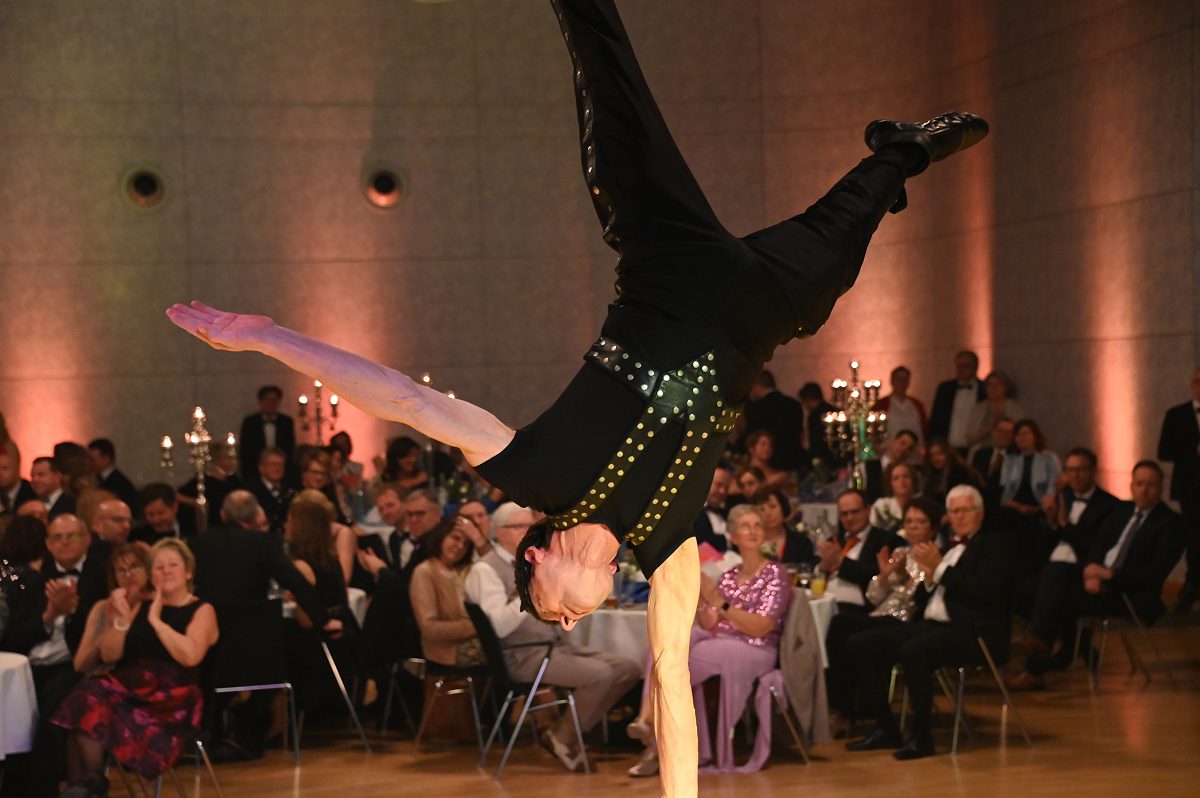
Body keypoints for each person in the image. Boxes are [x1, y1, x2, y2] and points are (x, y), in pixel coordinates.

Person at [167, 1, 988, 790]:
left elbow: (406, 401)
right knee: (847, 234)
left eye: (550, 612)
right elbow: (671, 686)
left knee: (616, 91)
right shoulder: (666, 549)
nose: (564, 621)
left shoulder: (535, 473)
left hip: (668, 263)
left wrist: (269, 337)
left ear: (536, 556)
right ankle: (902, 149)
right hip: (763, 314)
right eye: (559, 623)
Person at [464, 502, 640, 772]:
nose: (528, 531)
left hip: (554, 647)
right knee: (601, 675)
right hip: (520, 654)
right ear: (499, 532)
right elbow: (498, 626)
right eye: (519, 526)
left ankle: (563, 732)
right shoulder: (485, 569)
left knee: (628, 668)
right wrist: (534, 590)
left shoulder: (542, 558)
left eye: (530, 525)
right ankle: (565, 737)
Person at [845, 485, 1016, 759]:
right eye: (954, 511)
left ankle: (922, 737)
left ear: (980, 513)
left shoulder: (995, 545)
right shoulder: (948, 549)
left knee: (914, 651)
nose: (959, 516)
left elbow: (983, 592)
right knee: (860, 643)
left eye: (965, 510)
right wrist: (918, 576)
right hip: (931, 625)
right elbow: (927, 597)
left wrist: (939, 569)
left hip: (972, 631)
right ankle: (886, 727)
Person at [628, 504, 790, 775]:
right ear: (732, 536)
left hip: (755, 647)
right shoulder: (729, 575)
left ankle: (654, 734)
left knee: (675, 661)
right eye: (745, 526)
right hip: (718, 640)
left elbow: (761, 627)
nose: (753, 531)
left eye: (757, 526)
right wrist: (701, 596)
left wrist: (720, 602)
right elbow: (710, 623)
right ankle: (654, 729)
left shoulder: (775, 573)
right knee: (663, 644)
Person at [52, 539, 219, 794]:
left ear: (188, 572)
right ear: (152, 575)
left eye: (173, 565)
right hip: (128, 689)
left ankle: (90, 782)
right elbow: (110, 653)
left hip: (170, 698)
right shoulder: (141, 605)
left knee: (88, 698)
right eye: (159, 567)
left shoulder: (201, 609)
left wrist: (157, 621)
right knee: (85, 698)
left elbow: (191, 656)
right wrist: (120, 619)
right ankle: (88, 781)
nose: (166, 571)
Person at [1007, 461, 1185, 690]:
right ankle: (1049, 645)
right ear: (1131, 486)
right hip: (1097, 580)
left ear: (1161, 487)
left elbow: (1156, 572)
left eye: (1151, 485)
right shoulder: (1122, 511)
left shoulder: (1171, 523)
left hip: (1128, 591)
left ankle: (1037, 666)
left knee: (1057, 598)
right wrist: (1091, 570)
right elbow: (1097, 545)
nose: (1144, 490)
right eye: (1140, 483)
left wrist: (1109, 574)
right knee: (1032, 588)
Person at [825, 497, 943, 729]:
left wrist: (907, 578)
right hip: (881, 615)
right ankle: (847, 706)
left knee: (843, 627)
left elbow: (921, 601)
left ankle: (847, 709)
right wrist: (885, 576)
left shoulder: (936, 556)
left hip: (906, 621)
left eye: (920, 522)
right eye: (909, 521)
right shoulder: (900, 552)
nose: (913, 527)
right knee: (840, 625)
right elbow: (873, 597)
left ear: (933, 527)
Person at [815, 490, 904, 612]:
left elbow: (877, 575)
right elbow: (813, 571)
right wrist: (822, 567)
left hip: (857, 608)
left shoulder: (886, 540)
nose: (850, 518)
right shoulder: (834, 540)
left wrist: (840, 561)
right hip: (823, 601)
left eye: (855, 512)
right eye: (844, 514)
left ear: (868, 510)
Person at [408, 522, 482, 668]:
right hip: (449, 653)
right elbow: (430, 628)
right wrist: (479, 627)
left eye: (466, 543)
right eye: (455, 538)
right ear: (441, 536)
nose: (460, 546)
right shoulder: (424, 572)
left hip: (480, 643)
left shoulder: (468, 570)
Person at [73, 542, 154, 674]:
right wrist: (105, 636)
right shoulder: (102, 607)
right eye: (121, 570)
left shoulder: (159, 603)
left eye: (135, 567)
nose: (128, 575)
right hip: (108, 675)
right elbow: (80, 665)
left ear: (149, 569)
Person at [1156, 366, 1200, 611]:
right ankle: (1191, 584)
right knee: (1194, 536)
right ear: (1192, 384)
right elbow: (1164, 451)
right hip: (1190, 486)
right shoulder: (1177, 414)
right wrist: (1193, 451)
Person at [742, 370, 804, 472]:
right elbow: (800, 434)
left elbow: (752, 435)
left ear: (757, 386)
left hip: (769, 462)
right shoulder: (794, 404)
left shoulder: (757, 408)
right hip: (794, 459)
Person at [927, 350, 986, 453]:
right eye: (959, 366)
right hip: (948, 449)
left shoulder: (984, 389)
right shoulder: (945, 388)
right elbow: (936, 418)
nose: (961, 370)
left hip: (977, 449)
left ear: (975, 367)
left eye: (966, 366)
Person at [239, 385, 296, 482]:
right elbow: (245, 449)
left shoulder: (286, 422)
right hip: (255, 471)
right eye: (268, 400)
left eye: (274, 400)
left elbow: (290, 447)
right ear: (260, 401)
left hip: (281, 470)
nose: (271, 403)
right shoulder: (250, 422)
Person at [874, 366, 927, 458]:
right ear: (892, 381)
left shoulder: (917, 405)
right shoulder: (881, 405)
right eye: (898, 379)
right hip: (889, 456)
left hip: (915, 456)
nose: (901, 382)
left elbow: (925, 428)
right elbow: (873, 431)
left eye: (905, 379)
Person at [756, 487, 815, 567]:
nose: (768, 514)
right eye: (762, 509)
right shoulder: (748, 541)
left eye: (772, 507)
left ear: (783, 508)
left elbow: (807, 569)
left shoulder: (801, 542)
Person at [965, 370, 1025, 449]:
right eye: (990, 385)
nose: (993, 388)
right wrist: (990, 427)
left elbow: (1019, 434)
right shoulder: (978, 408)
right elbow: (969, 438)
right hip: (981, 450)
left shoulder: (1014, 408)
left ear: (1005, 387)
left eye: (998, 384)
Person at [921, 437, 980, 507]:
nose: (935, 458)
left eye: (939, 453)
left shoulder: (959, 472)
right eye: (932, 455)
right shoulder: (932, 475)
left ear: (948, 453)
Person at [86, 439, 139, 513]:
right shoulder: (98, 479)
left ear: (106, 458)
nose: (88, 463)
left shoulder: (120, 484)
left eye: (92, 460)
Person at [869, 461, 919, 531]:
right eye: (896, 478)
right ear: (890, 483)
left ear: (913, 480)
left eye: (906, 477)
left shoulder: (923, 504)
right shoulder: (881, 505)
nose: (901, 481)